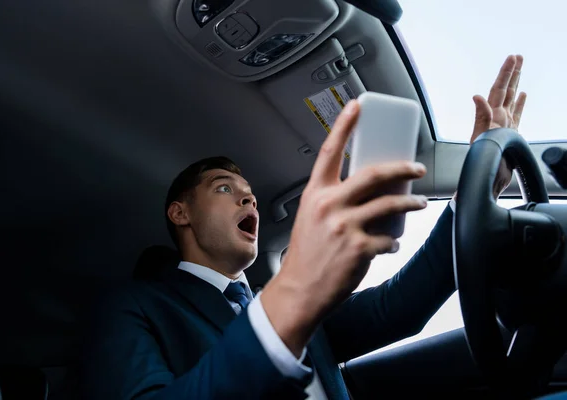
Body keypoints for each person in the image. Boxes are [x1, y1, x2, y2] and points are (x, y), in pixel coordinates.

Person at [80, 55, 526, 399]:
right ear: (180, 214)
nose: (248, 197)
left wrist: (474, 194)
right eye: (222, 188)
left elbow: (400, 306)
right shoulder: (133, 307)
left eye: (249, 191)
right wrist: (288, 298)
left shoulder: (296, 310)